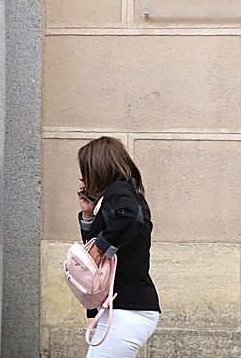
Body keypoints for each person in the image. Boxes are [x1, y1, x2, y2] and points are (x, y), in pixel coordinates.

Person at [76, 135, 161, 358]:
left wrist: (101, 247)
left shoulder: (120, 192)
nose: (81, 176)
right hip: (121, 308)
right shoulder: (123, 195)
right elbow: (93, 252)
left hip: (128, 308)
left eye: (85, 169)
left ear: (99, 168)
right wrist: (88, 214)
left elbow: (128, 217)